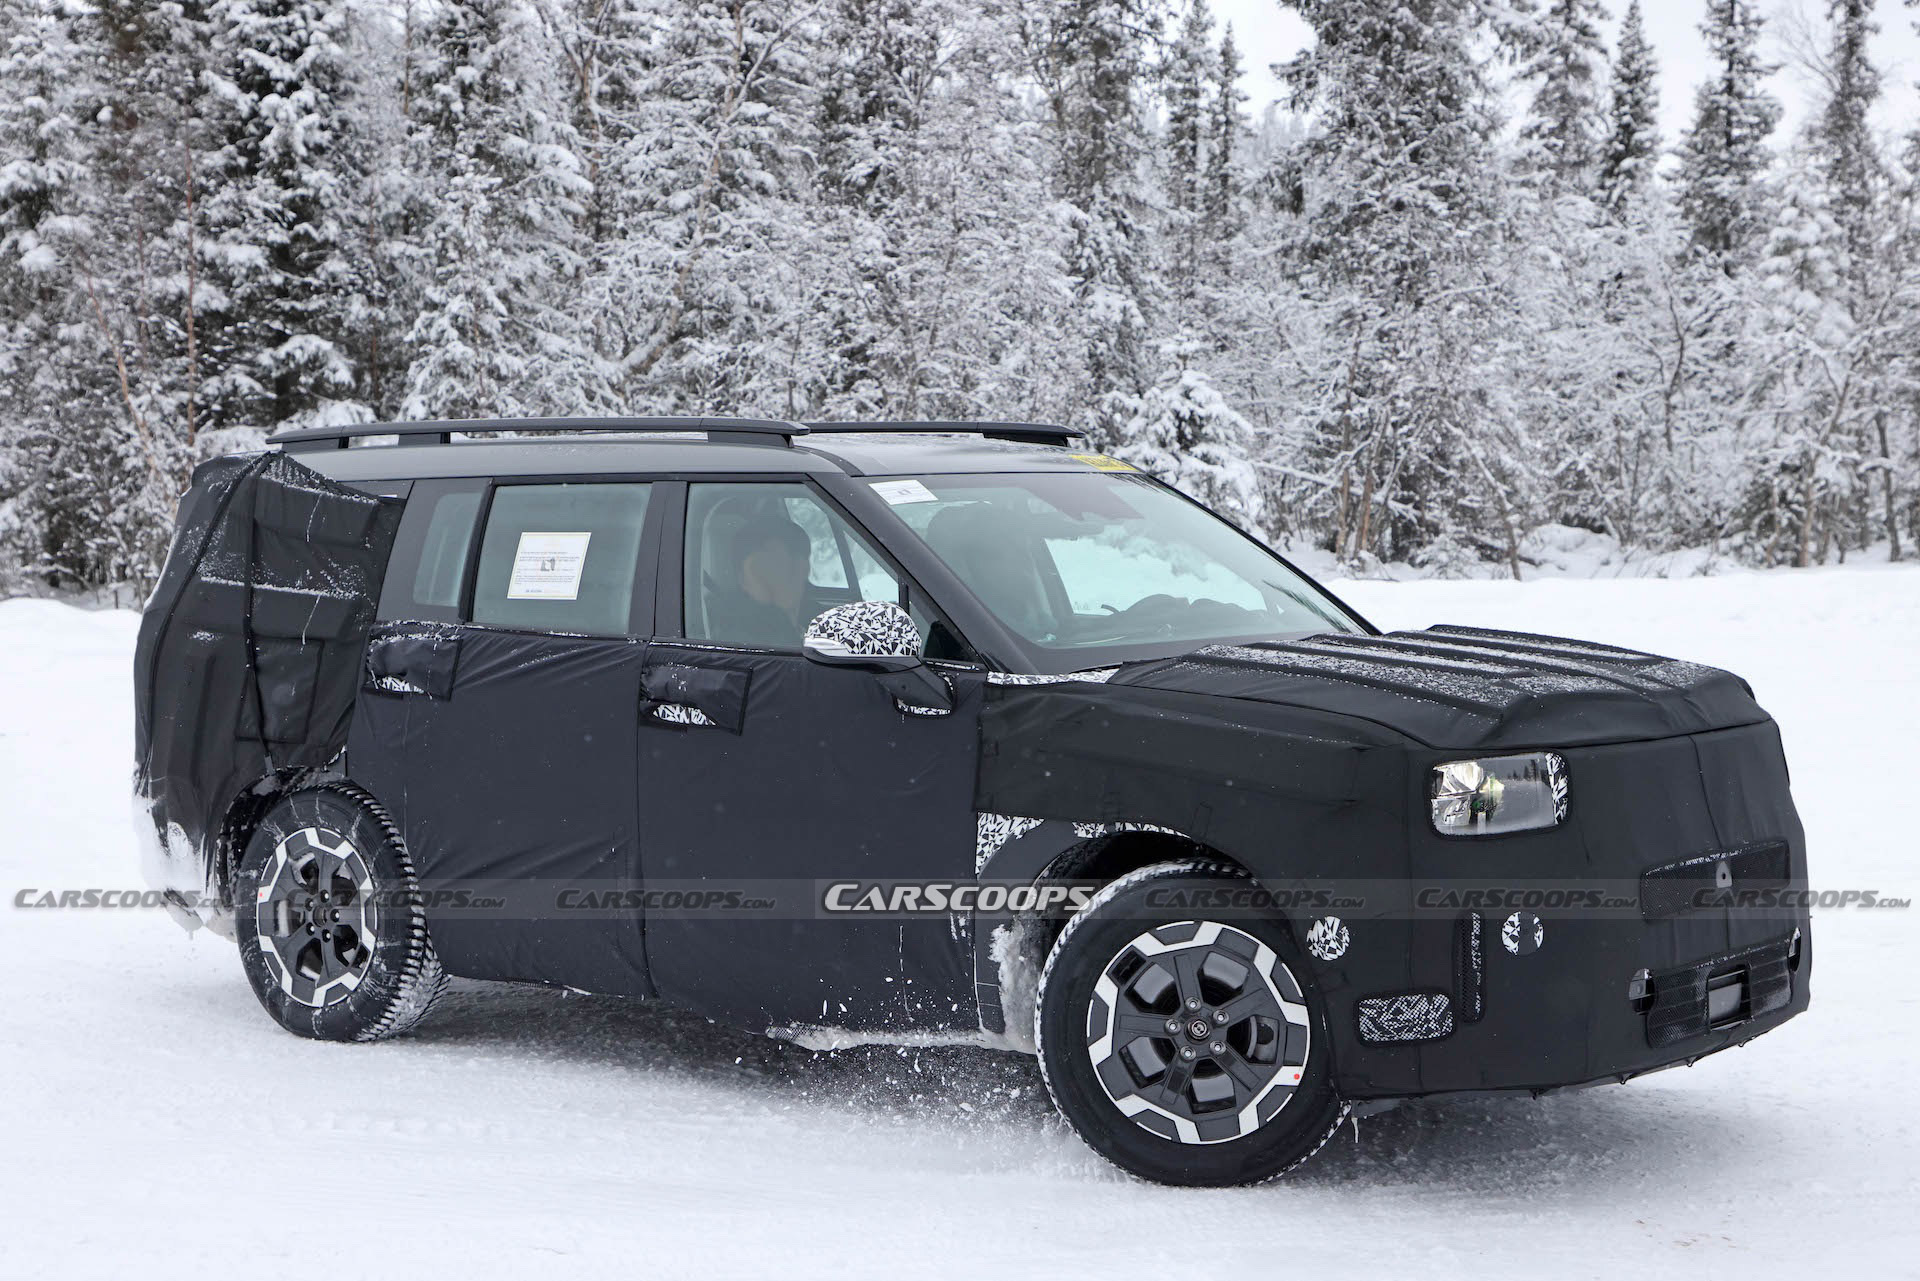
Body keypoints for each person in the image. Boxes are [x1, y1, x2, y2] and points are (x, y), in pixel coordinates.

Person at [718, 517, 813, 647]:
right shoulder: (740, 641)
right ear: (743, 578)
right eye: (763, 566)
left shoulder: (821, 618)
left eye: (779, 564)